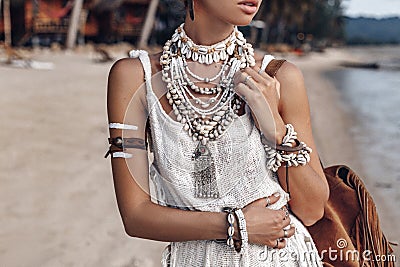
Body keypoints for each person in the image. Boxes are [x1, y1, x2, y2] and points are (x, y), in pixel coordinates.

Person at [106, 0, 329, 266]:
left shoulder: (277, 77)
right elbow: (135, 216)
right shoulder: (134, 77)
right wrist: (236, 225)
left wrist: (276, 130)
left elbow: (313, 209)